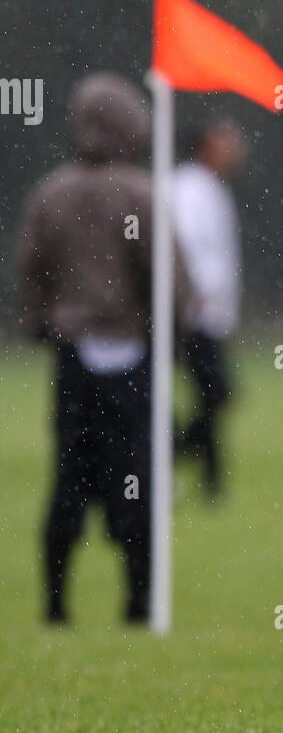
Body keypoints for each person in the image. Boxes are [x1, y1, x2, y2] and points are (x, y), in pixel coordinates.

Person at [17, 73, 190, 624]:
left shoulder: (52, 192)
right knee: (134, 479)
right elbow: (168, 283)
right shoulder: (140, 193)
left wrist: (46, 322)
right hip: (132, 359)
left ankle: (55, 604)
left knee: (69, 480)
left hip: (72, 359)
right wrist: (174, 339)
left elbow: (30, 270)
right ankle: (138, 603)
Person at [172, 119, 246, 497]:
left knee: (210, 396)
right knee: (217, 394)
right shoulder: (189, 188)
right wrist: (196, 294)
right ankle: (169, 454)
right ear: (205, 146)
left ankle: (211, 482)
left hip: (208, 314)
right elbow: (184, 244)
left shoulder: (211, 188)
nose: (236, 150)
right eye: (227, 142)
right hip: (192, 314)